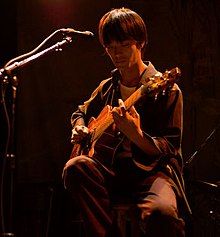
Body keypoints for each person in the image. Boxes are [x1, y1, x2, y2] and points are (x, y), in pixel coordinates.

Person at [63, 7, 189, 237]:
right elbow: (79, 112)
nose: (116, 53)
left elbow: (170, 149)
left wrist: (136, 135)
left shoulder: (166, 89)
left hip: (152, 174)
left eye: (123, 44)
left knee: (162, 214)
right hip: (113, 172)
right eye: (109, 47)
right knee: (75, 167)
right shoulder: (107, 87)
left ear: (140, 42)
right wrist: (79, 127)